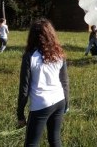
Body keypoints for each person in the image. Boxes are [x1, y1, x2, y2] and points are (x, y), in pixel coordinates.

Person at [17, 18, 69, 147]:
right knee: (55, 140)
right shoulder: (59, 54)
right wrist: (66, 103)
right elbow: (65, 81)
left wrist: (20, 114)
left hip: (41, 104)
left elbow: (24, 87)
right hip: (59, 100)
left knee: (31, 143)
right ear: (51, 34)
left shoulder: (29, 56)